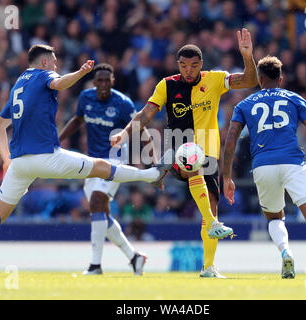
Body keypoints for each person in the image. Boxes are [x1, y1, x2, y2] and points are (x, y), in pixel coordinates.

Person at [0, 44, 173, 276]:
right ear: (44, 63)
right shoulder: (44, 76)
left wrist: (6, 159)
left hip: (20, 162)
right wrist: (81, 72)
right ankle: (151, 175)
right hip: (47, 156)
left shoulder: (18, 85)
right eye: (54, 61)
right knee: (101, 168)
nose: (56, 65)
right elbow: (60, 83)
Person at [111, 29, 259, 278]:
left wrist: (247, 56)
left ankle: (209, 267)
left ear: (200, 64)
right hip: (179, 149)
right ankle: (212, 223)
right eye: (183, 65)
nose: (188, 70)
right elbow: (145, 114)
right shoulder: (167, 85)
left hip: (210, 153)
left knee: (211, 205)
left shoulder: (214, 79)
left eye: (193, 66)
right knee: (191, 158)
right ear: (177, 64)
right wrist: (124, 134)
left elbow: (249, 81)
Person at [222, 56, 306, 280]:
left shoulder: (244, 104)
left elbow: (230, 141)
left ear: (260, 79)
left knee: (275, 218)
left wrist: (227, 176)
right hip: (293, 162)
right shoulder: (294, 99)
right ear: (281, 79)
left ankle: (286, 252)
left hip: (263, 166)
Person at [59, 63, 152, 276]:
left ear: (112, 81)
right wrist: (57, 140)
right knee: (101, 214)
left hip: (114, 160)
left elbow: (140, 128)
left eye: (106, 81)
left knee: (96, 201)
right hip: (92, 163)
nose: (102, 85)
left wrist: (151, 161)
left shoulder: (123, 103)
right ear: (94, 82)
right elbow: (77, 120)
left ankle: (95, 265)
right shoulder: (85, 98)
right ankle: (134, 257)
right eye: (98, 80)